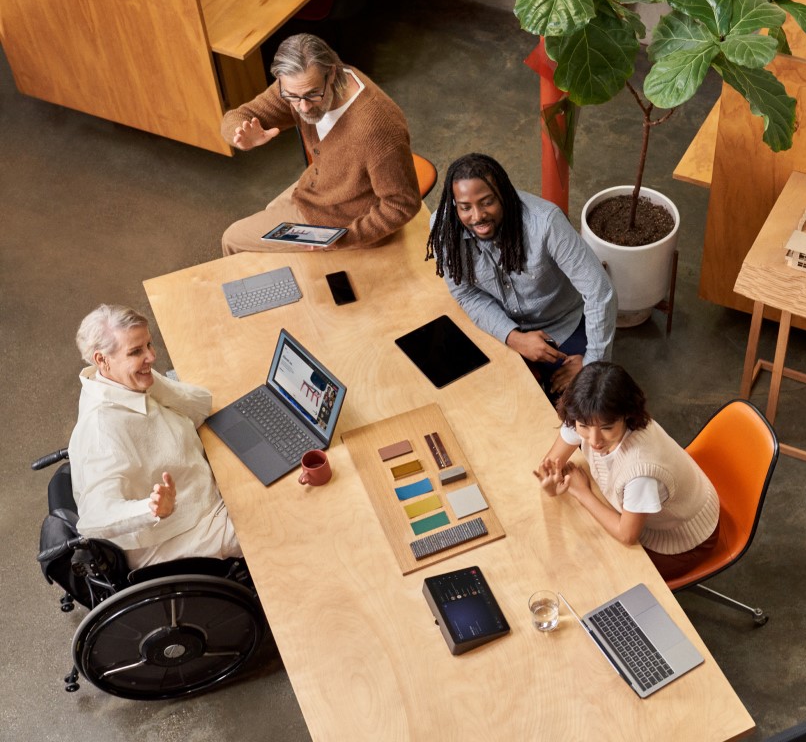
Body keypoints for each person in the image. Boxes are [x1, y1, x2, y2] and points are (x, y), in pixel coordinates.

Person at [426, 153, 616, 396]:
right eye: (465, 207)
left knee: (585, 405)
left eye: (486, 202)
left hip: (562, 326)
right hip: (501, 328)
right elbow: (466, 294)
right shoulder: (444, 229)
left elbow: (600, 292)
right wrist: (514, 338)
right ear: (454, 204)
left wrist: (592, 365)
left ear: (503, 194)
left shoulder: (546, 224)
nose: (477, 216)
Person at [67, 305, 242, 569]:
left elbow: (202, 405)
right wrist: (150, 509)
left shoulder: (123, 379)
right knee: (274, 523)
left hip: (202, 486)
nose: (151, 356)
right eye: (136, 351)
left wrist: (154, 384)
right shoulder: (102, 431)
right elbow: (93, 520)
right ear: (102, 360)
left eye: (149, 344)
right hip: (179, 531)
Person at [219, 33, 421, 255]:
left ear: (332, 72)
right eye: (292, 96)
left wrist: (344, 237)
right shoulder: (297, 86)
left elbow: (402, 204)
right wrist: (240, 136)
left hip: (341, 222)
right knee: (271, 213)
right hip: (317, 190)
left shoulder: (376, 127)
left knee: (232, 239)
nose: (303, 107)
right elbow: (239, 115)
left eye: (312, 94)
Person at [534, 362, 720, 580]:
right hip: (649, 512)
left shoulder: (641, 472)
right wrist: (551, 485)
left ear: (627, 416)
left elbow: (626, 535)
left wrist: (582, 492)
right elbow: (551, 464)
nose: (594, 440)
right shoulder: (587, 414)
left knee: (597, 574)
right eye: (583, 427)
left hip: (682, 539)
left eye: (606, 428)